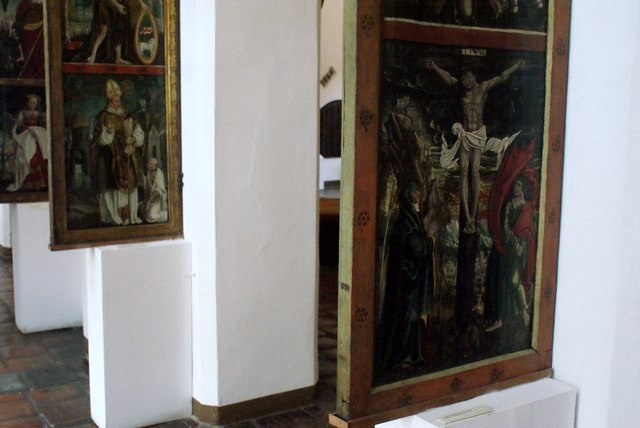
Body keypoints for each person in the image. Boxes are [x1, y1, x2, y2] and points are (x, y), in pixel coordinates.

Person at [423, 58, 525, 233]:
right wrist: (434, 66)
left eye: (468, 77)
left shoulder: (483, 88)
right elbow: (448, 78)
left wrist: (516, 66)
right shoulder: (461, 88)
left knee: (475, 172)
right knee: (464, 171)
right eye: (463, 78)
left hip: (478, 135)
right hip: (465, 135)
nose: (465, 81)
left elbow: (501, 77)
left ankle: (473, 216)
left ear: (474, 76)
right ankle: (468, 218)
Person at [376, 182, 434, 374]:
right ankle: (404, 357)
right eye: (416, 191)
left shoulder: (410, 219)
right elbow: (416, 248)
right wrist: (429, 241)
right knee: (407, 320)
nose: (419, 194)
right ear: (409, 195)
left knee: (411, 320)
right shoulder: (405, 223)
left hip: (409, 281)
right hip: (407, 282)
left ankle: (411, 356)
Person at [484, 177, 536, 332]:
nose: (516, 188)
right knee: (502, 282)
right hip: (509, 247)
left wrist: (521, 245)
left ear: (523, 188)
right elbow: (505, 227)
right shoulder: (509, 204)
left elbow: (527, 229)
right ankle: (499, 319)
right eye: (514, 185)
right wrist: (514, 243)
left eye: (519, 186)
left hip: (522, 248)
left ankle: (524, 312)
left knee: (514, 280)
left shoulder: (527, 207)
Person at [92, 79, 144, 226]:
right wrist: (108, 133)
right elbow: (98, 139)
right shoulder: (102, 116)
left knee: (131, 181)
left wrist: (133, 139)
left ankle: (129, 216)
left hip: (127, 154)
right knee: (112, 185)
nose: (118, 102)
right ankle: (114, 216)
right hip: (110, 157)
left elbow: (138, 130)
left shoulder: (126, 114)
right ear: (109, 100)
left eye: (119, 99)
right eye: (115, 100)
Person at [7, 94, 48, 191]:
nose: (33, 105)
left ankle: (40, 184)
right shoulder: (23, 112)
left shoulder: (38, 113)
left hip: (35, 135)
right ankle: (25, 182)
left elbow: (43, 124)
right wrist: (14, 132)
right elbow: (17, 124)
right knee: (24, 156)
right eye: (31, 102)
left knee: (37, 156)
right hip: (26, 134)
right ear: (27, 102)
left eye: (34, 103)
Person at [13, 0, 45, 78]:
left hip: (41, 30)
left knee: (40, 55)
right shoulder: (23, 5)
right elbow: (18, 22)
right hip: (26, 34)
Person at [140, 157, 167, 223]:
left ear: (156, 166)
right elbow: (148, 189)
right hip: (150, 199)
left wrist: (149, 203)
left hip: (157, 200)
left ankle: (165, 215)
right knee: (143, 212)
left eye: (152, 164)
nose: (150, 165)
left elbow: (159, 191)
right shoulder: (149, 174)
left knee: (152, 216)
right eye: (149, 163)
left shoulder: (159, 174)